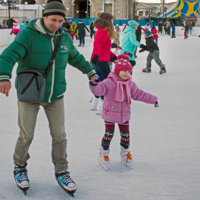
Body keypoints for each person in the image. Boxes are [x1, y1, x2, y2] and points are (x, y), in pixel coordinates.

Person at [0, 1, 97, 195]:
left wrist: (90, 72)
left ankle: (62, 171)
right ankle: (20, 167)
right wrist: (4, 76)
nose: (57, 24)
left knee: (59, 135)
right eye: (54, 20)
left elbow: (75, 58)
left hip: (55, 95)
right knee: (26, 135)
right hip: (30, 94)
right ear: (44, 16)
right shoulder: (28, 35)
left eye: (61, 21)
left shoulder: (65, 37)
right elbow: (8, 56)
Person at [89, 54, 158, 170]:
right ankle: (104, 153)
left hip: (124, 114)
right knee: (109, 134)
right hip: (110, 113)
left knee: (126, 135)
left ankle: (125, 153)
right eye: (124, 71)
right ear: (117, 71)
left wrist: (153, 99)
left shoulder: (130, 84)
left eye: (128, 71)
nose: (127, 73)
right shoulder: (109, 82)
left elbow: (139, 94)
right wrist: (94, 84)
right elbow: (99, 91)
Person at [90, 12, 117, 114]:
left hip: (101, 59)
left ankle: (97, 105)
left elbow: (105, 49)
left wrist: (113, 57)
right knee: (107, 83)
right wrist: (96, 56)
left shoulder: (103, 31)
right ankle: (103, 106)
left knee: (101, 82)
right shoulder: (103, 31)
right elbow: (98, 45)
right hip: (100, 60)